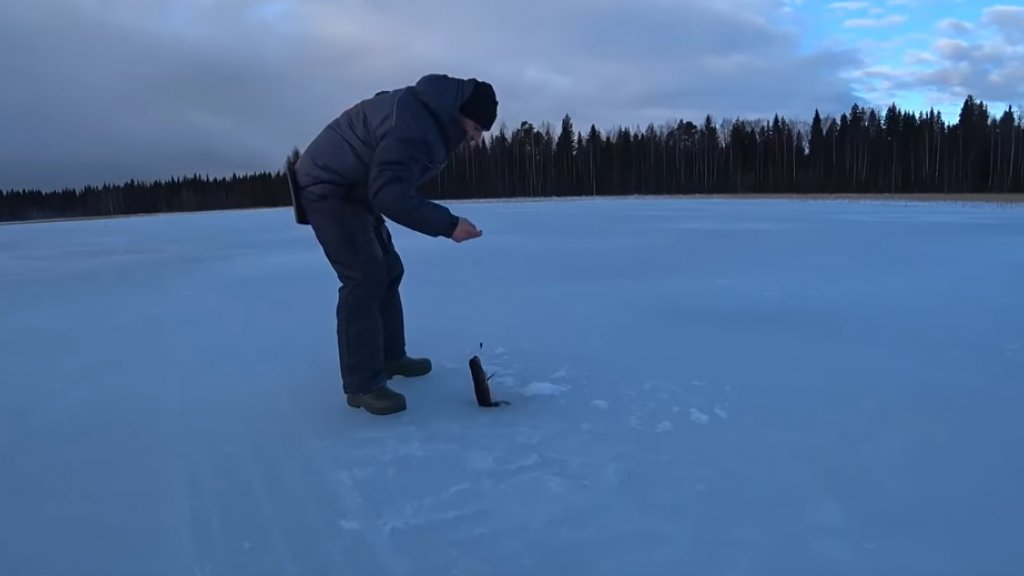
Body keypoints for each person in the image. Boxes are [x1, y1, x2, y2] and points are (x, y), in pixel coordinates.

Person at [289, 73, 497, 416]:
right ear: (461, 111)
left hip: (355, 189)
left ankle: (390, 356)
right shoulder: (416, 125)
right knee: (363, 277)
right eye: (475, 128)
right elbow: (391, 194)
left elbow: (389, 181)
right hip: (328, 187)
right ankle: (363, 385)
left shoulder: (431, 115)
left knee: (388, 268)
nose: (475, 138)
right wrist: (448, 225)